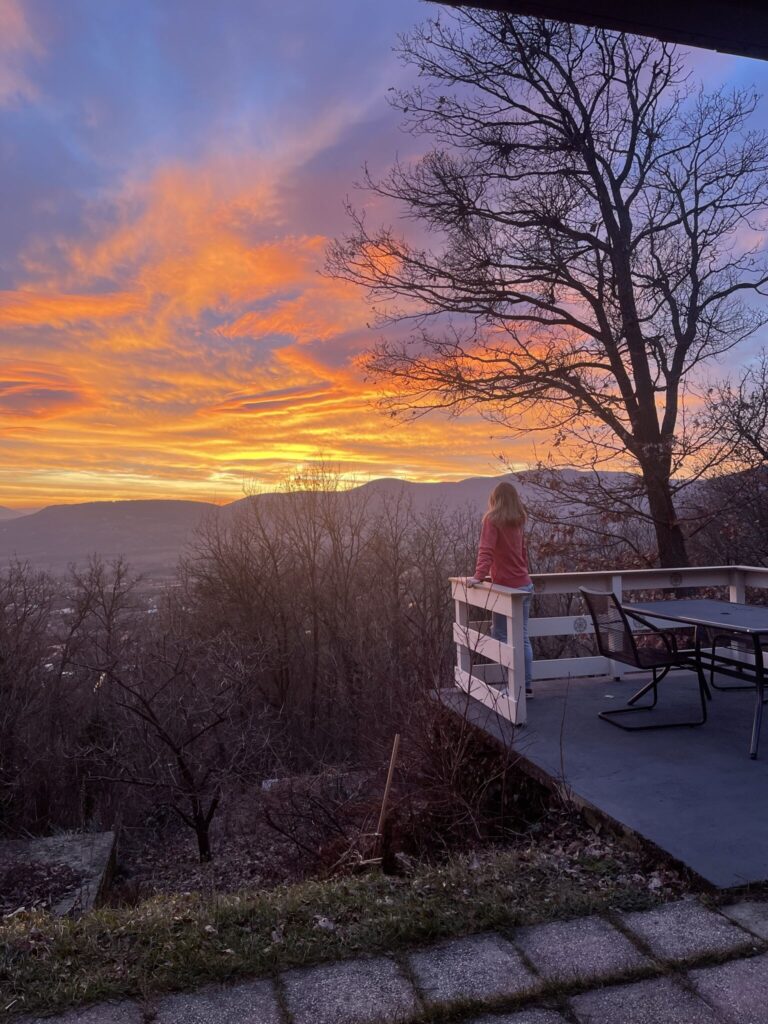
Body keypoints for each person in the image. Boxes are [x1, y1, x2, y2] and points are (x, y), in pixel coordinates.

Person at [467, 481, 535, 696]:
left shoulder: (492, 520)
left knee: (501, 636)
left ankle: (515, 686)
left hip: (506, 589)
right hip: (525, 584)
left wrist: (478, 576)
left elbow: (485, 550)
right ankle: (526, 686)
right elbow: (523, 553)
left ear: (494, 499)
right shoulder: (518, 520)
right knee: (522, 637)